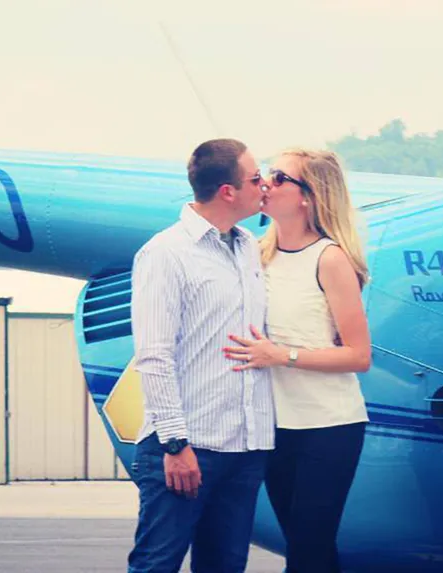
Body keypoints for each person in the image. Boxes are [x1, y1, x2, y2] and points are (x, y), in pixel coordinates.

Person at [127, 138, 274, 573]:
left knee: (226, 566)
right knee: (157, 564)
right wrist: (175, 444)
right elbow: (153, 356)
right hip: (187, 448)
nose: (264, 184)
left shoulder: (247, 245)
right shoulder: (165, 253)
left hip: (245, 448)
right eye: (255, 178)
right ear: (228, 191)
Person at [223, 148, 371, 573]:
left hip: (327, 426)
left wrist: (280, 355)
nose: (266, 184)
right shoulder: (254, 254)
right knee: (308, 549)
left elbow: (358, 355)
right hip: (274, 425)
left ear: (308, 196)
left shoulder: (330, 258)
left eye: (280, 178)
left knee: (308, 547)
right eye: (266, 175)